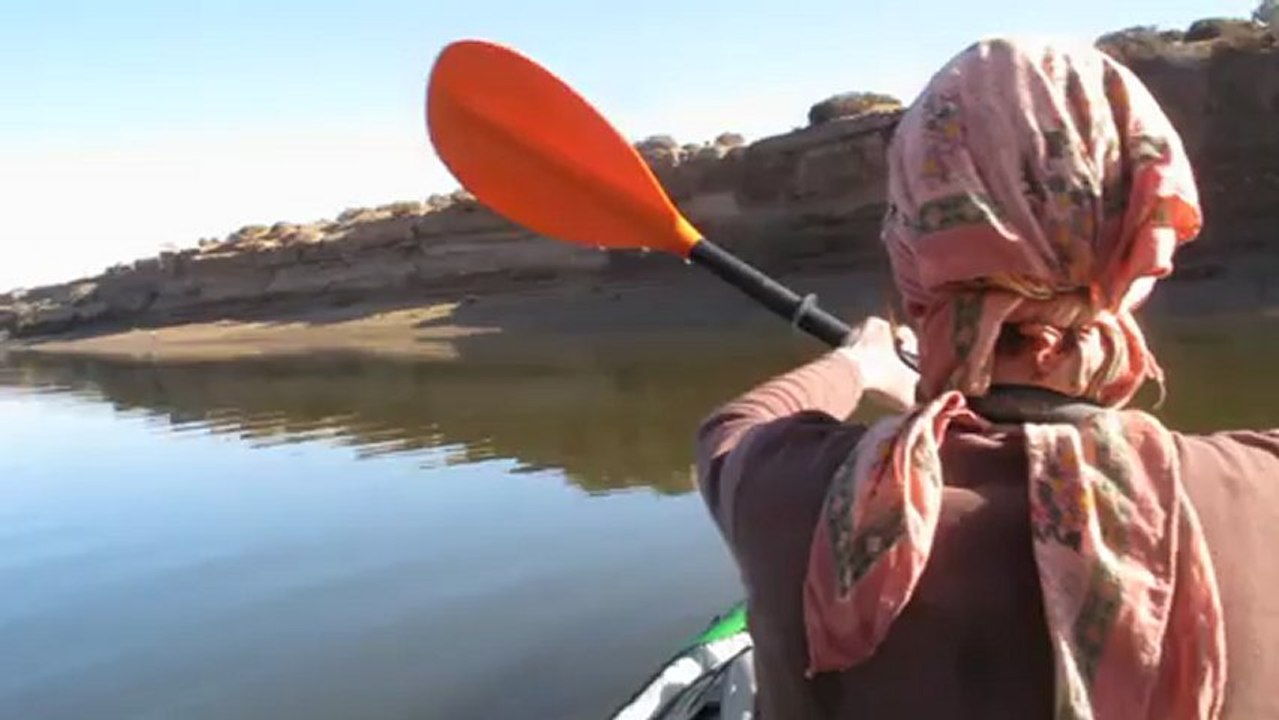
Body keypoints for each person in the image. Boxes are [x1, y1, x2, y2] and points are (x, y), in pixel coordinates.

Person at [695, 37, 1279, 719]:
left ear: (913, 250)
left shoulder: (777, 489)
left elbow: (733, 427)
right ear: (1144, 236)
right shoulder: (1262, 477)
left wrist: (860, 363)